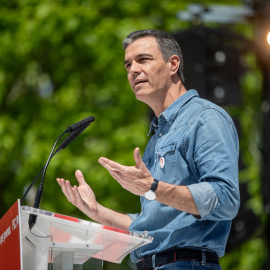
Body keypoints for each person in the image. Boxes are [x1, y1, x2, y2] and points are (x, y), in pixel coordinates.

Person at [57, 29, 240, 270]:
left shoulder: (205, 118)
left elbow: (226, 199)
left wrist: (153, 188)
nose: (132, 70)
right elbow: (149, 225)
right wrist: (96, 211)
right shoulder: (157, 137)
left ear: (173, 64)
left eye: (143, 60)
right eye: (128, 65)